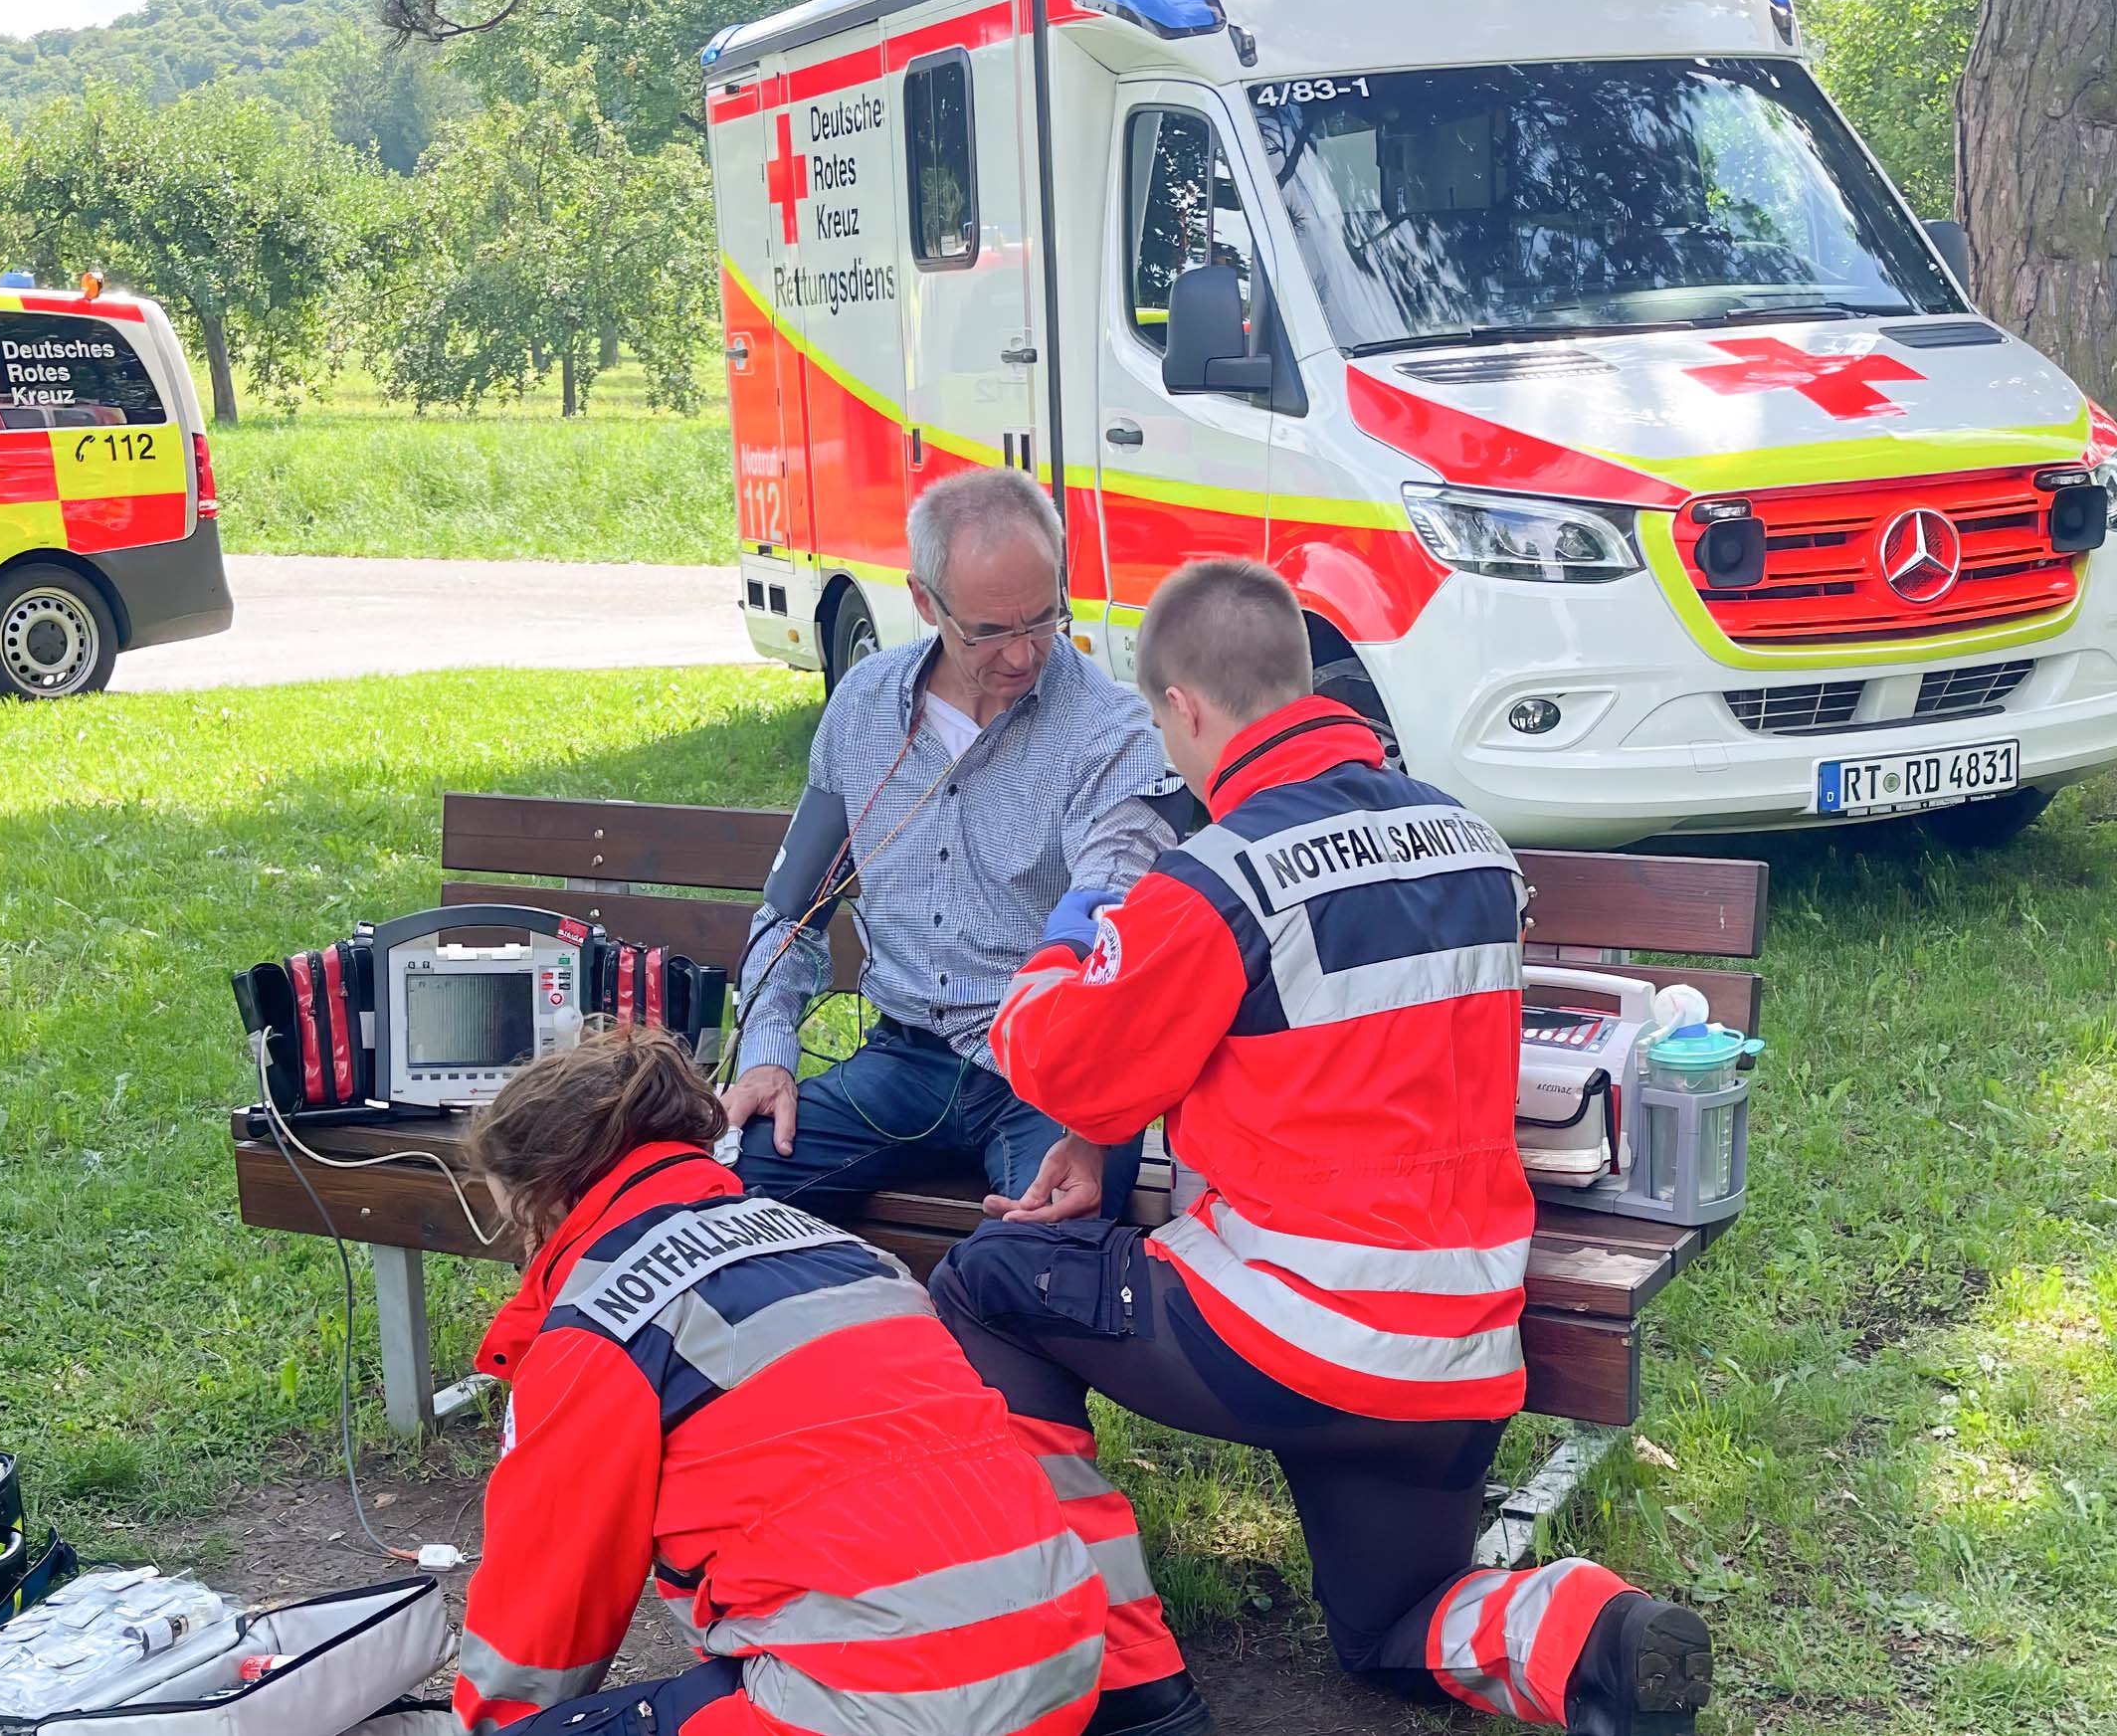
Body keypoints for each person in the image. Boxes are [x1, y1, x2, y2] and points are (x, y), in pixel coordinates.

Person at [929, 559, 1717, 1736]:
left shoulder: (1215, 877)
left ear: (1184, 708)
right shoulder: (1471, 843)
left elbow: (1056, 1060)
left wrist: (1077, 922)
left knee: (982, 1287)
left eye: (1161, 725)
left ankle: (1118, 1657)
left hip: (1286, 1336)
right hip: (1455, 1356)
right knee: (1389, 1627)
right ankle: (1593, 1634)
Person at [450, 1026, 1107, 1736]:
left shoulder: (601, 1322)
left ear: (548, 1199)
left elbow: (545, 1606)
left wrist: (497, 1728)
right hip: (1059, 1665)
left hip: (892, 1698)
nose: (525, 1251)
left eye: (516, 1225)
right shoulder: (850, 1251)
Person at [722, 467, 1178, 1216]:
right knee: (726, 1195)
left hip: (1047, 1078)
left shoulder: (1108, 731)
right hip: (901, 1061)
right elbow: (789, 912)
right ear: (924, 601)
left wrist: (1093, 1119)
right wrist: (769, 1052)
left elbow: (1113, 925)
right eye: (991, 630)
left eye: (1042, 618)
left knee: (1043, 1253)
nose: (1023, 655)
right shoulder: (863, 707)